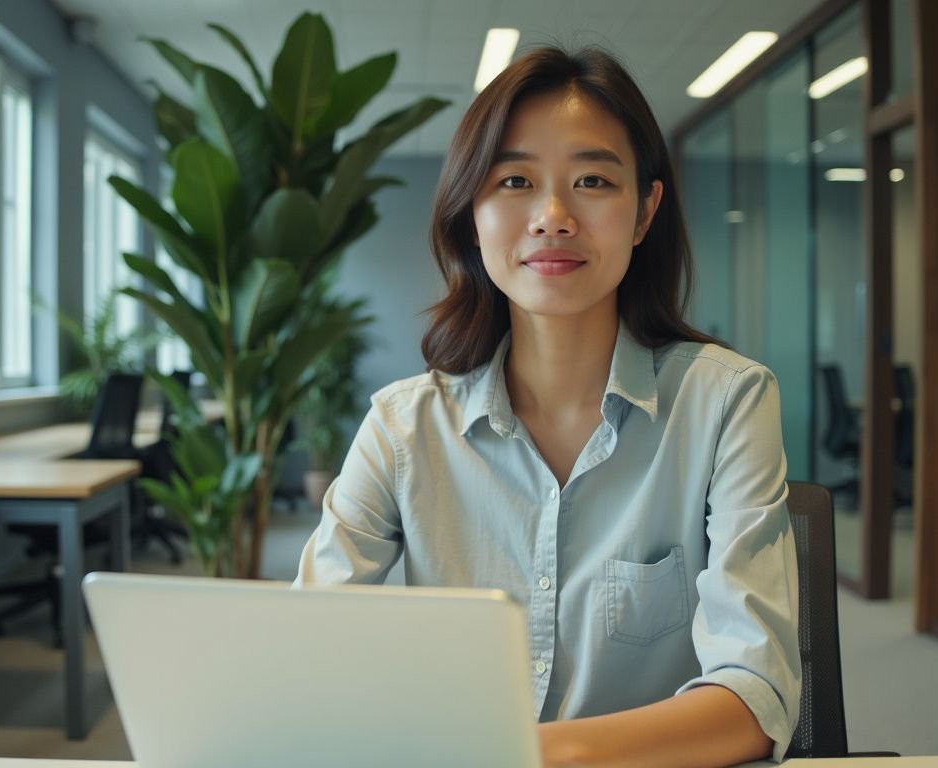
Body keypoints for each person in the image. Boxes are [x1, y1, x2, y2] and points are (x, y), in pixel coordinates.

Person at [295, 45, 800, 768]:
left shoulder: (727, 403)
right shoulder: (403, 429)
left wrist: (524, 753)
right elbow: (304, 655)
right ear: (472, 213)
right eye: (515, 181)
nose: (553, 216)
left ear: (644, 211)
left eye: (593, 179)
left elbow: (756, 696)